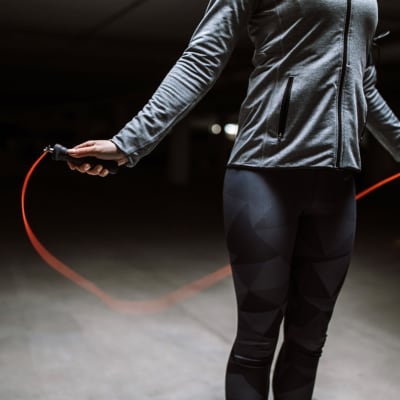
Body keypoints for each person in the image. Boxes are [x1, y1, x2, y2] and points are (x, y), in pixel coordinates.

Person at [67, 1, 400, 399]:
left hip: (337, 184)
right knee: (257, 342)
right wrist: (130, 141)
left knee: (309, 342)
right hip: (264, 175)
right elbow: (202, 57)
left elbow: (362, 84)